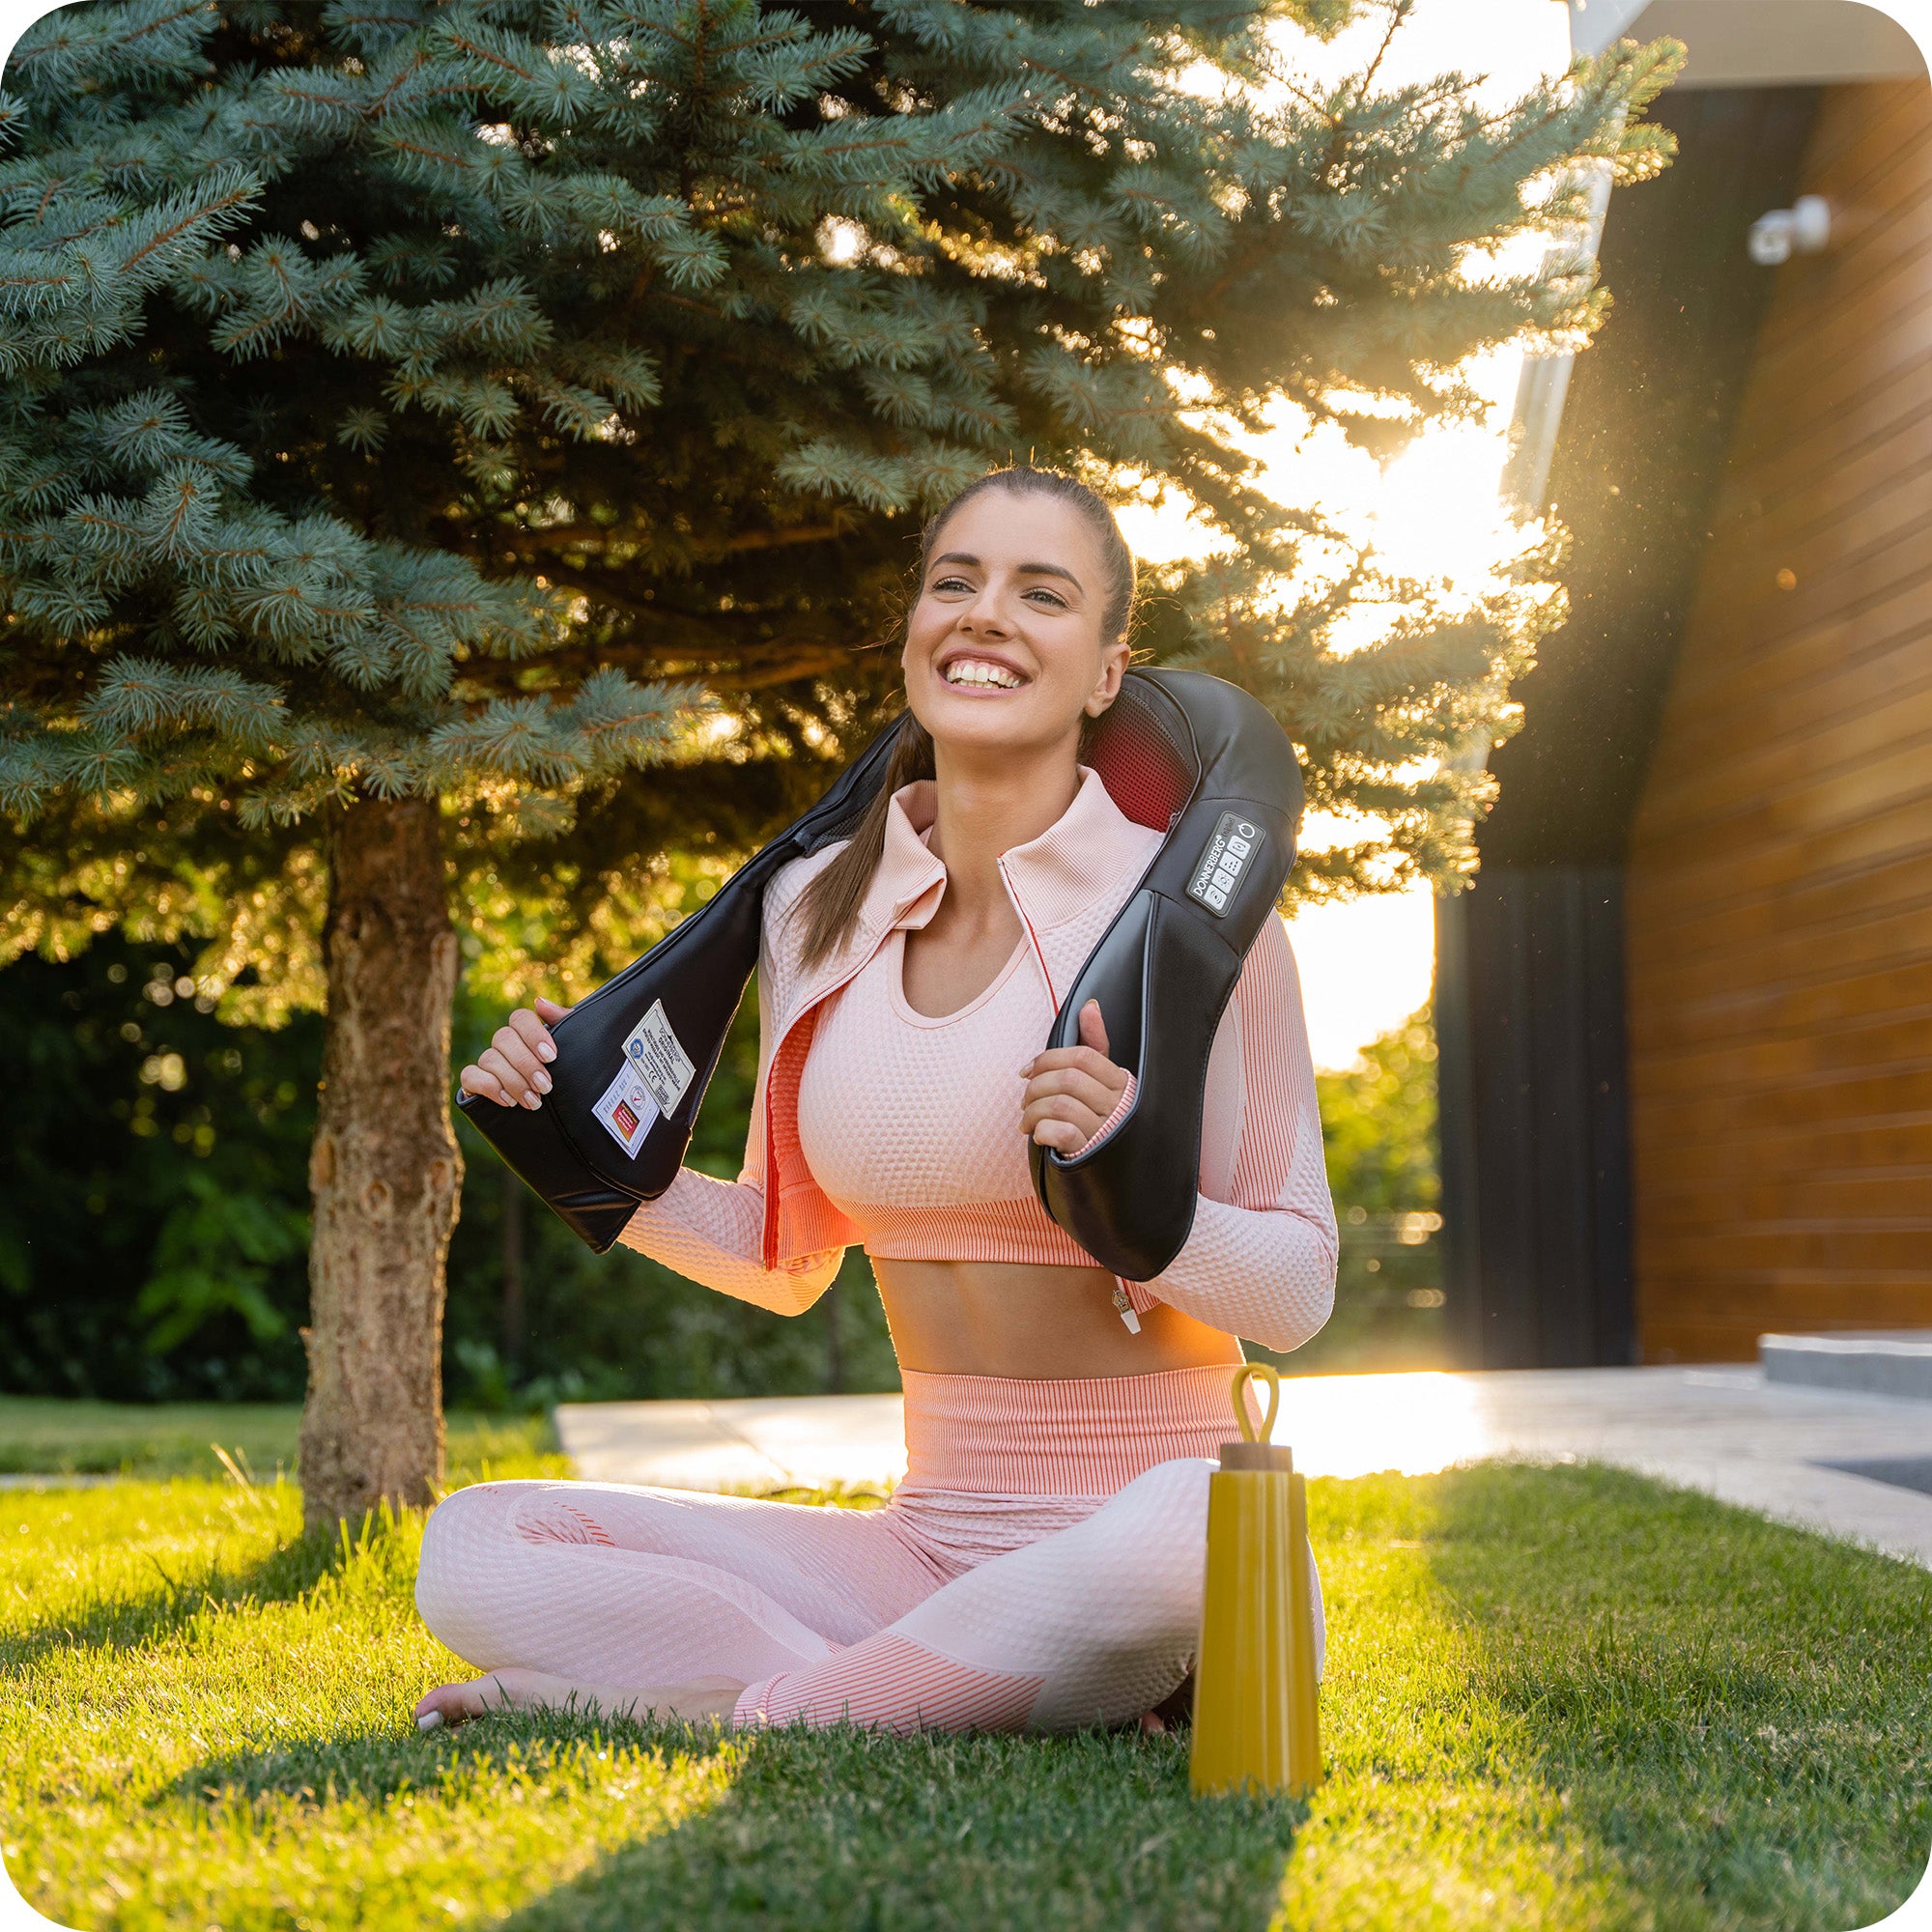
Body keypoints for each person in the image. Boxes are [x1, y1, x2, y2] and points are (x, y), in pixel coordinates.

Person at [412, 467, 1337, 1740]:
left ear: (1109, 672)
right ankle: (864, 1691)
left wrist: (1144, 1197)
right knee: (479, 1542)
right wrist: (584, 1162)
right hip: (925, 1556)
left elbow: (1297, 1290)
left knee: (1194, 1530)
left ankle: (743, 1707)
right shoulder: (815, 912)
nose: (985, 613)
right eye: (954, 583)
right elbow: (785, 1254)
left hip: (1140, 1550)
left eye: (1041, 593)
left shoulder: (1192, 927)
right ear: (913, 637)